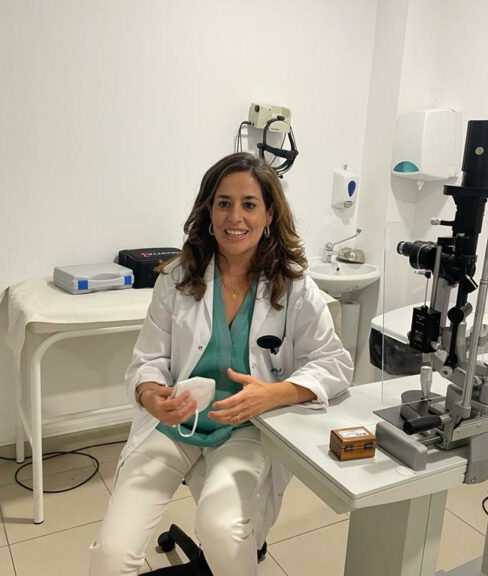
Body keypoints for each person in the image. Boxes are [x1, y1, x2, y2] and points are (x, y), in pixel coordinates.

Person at [89, 152, 353, 576]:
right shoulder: (177, 278)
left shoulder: (294, 285)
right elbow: (148, 361)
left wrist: (274, 393)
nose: (235, 217)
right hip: (173, 425)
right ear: (208, 211)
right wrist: (152, 396)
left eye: (249, 204)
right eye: (224, 203)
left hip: (245, 428)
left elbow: (334, 363)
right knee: (112, 553)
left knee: (223, 530)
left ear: (269, 214)